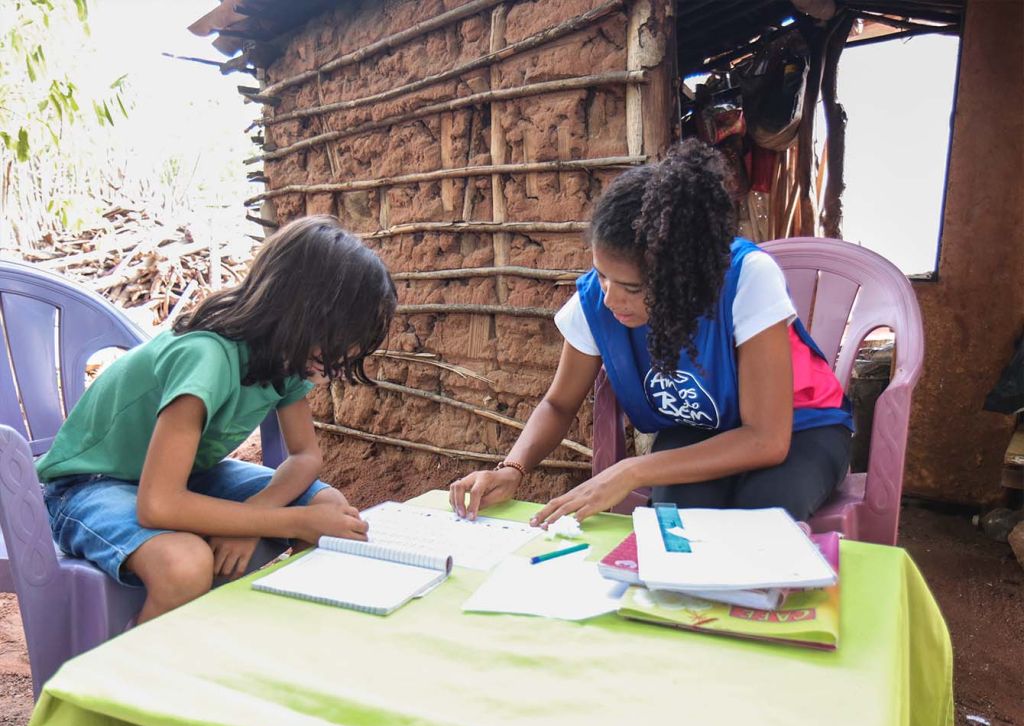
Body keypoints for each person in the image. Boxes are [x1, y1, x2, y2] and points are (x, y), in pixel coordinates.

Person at [449, 139, 852, 528]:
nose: (609, 299)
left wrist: (631, 471)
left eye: (632, 288)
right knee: (676, 524)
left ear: (683, 279)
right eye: (602, 276)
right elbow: (559, 403)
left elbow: (767, 439)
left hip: (801, 428)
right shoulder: (596, 302)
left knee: (761, 518)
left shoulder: (746, 279)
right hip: (700, 432)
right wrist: (512, 468)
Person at [36, 215, 397, 622]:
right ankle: (136, 680)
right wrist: (285, 520)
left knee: (331, 508)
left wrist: (253, 520)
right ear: (301, 312)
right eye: (340, 339)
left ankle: (282, 636)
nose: (344, 356)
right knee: (184, 565)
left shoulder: (286, 361)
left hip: (185, 476)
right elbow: (158, 505)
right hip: (90, 485)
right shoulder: (205, 357)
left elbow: (305, 457)